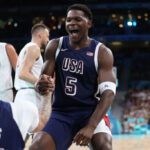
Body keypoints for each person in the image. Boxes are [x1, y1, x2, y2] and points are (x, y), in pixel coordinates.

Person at [30, 4, 116, 150]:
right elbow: (43, 83)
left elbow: (108, 93)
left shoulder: (102, 52)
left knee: (104, 146)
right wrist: (40, 85)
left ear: (89, 23)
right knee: (38, 146)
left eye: (78, 19)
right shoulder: (55, 46)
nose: (72, 23)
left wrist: (91, 126)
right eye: (69, 20)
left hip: (90, 112)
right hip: (61, 112)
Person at [0, 75, 55, 150]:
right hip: (28, 94)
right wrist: (46, 91)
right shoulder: (19, 111)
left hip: (22, 94)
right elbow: (42, 122)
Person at [14, 23, 50, 107]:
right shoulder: (34, 48)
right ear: (40, 35)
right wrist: (43, 84)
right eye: (47, 36)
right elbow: (23, 74)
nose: (48, 40)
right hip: (29, 96)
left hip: (24, 95)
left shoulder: (27, 48)